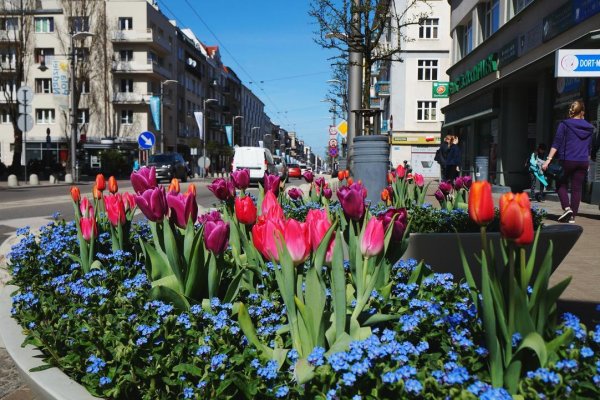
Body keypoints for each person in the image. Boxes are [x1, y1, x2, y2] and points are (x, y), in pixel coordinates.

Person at [542, 99, 594, 223]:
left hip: (568, 160)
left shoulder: (564, 124)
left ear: (571, 111)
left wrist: (548, 160)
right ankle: (572, 217)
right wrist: (588, 162)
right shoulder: (590, 127)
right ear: (582, 112)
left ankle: (567, 208)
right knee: (577, 188)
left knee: (560, 183)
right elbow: (589, 146)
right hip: (582, 161)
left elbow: (557, 143)